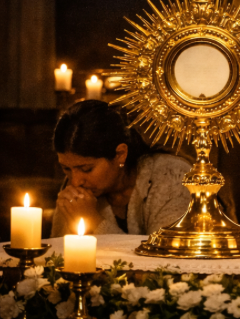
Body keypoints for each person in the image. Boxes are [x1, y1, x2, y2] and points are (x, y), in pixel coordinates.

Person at [51, 100, 192, 236]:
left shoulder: (172, 176)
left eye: (87, 169)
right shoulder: (74, 193)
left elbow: (164, 256)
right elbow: (59, 256)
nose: (75, 182)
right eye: (66, 169)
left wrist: (94, 222)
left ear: (120, 154)